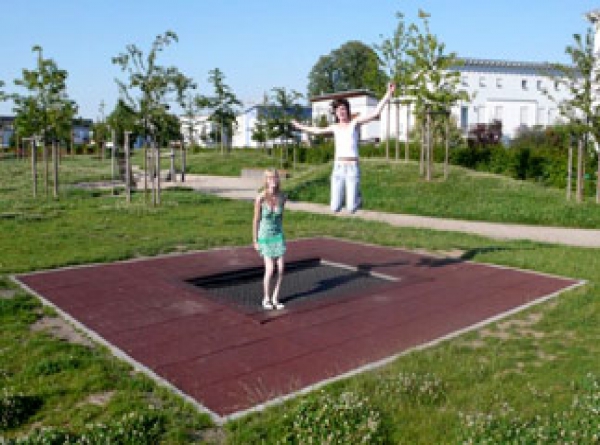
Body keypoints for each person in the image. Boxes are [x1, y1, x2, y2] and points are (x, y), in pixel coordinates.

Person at [291, 83, 396, 213]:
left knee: (351, 208)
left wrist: (388, 94)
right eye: (339, 110)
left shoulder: (354, 123)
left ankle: (358, 198)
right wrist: (300, 126)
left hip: (352, 168)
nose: (342, 112)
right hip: (338, 168)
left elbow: (375, 113)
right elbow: (317, 131)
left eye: (344, 109)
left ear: (348, 111)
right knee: (335, 208)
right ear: (335, 113)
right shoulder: (334, 127)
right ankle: (352, 198)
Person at [253, 169, 287, 310]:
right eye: (270, 178)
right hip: (265, 235)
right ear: (266, 180)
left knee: (281, 268)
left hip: (277, 235)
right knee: (270, 268)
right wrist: (255, 240)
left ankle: (275, 297)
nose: (273, 180)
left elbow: (281, 218)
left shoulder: (282, 197)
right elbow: (256, 220)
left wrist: (281, 235)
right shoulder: (260, 198)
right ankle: (266, 298)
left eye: (275, 177)